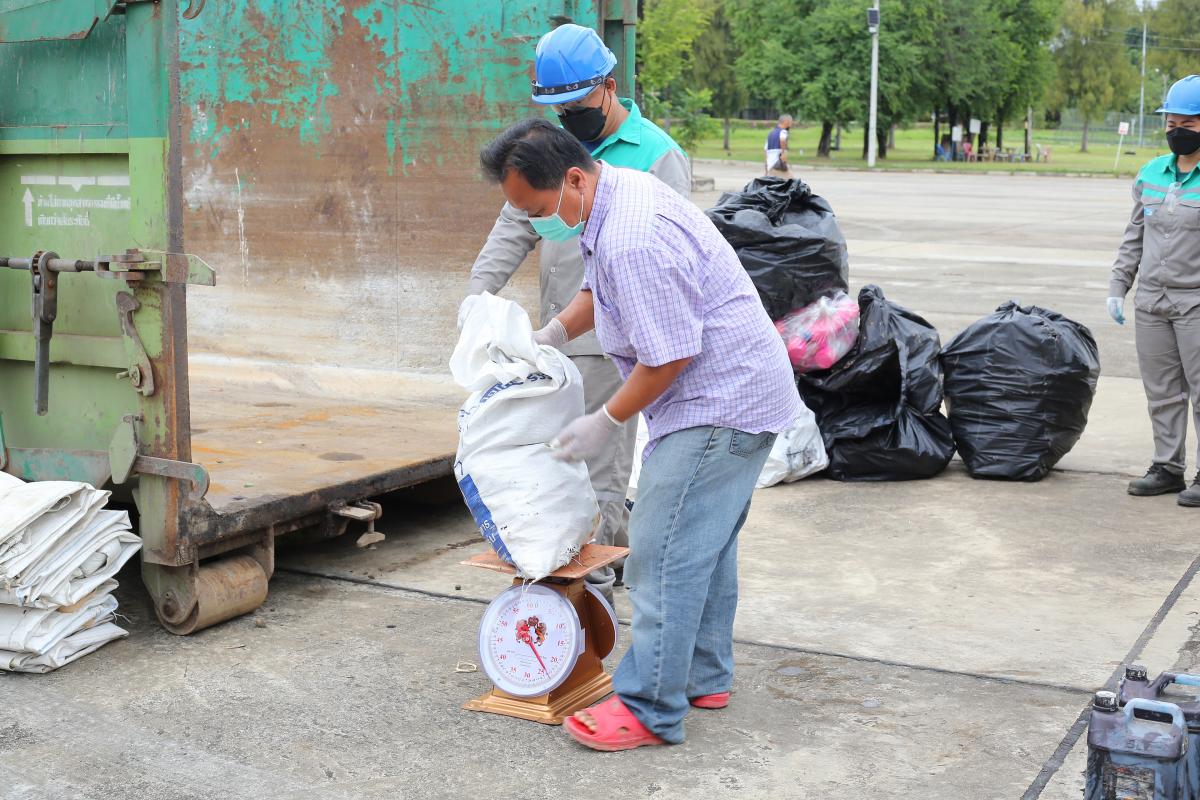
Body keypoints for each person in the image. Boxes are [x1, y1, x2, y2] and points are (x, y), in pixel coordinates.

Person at [478, 118, 801, 750]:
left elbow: (669, 357)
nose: (538, 223)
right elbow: (600, 291)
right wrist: (550, 338)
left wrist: (605, 421)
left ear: (573, 178)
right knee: (705, 543)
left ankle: (651, 704)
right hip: (742, 391)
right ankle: (704, 676)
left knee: (661, 552)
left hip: (720, 401)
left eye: (538, 209)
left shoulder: (631, 235)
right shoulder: (613, 192)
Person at [467, 24, 690, 604]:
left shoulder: (657, 156)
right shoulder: (552, 148)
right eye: (557, 107)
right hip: (555, 335)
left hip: (610, 342)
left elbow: (666, 263)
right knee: (552, 465)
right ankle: (555, 579)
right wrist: (478, 294)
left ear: (609, 87)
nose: (569, 117)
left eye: (578, 104)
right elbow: (515, 222)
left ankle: (594, 593)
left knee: (601, 473)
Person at [1108, 74, 1200, 507]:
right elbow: (1134, 236)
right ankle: (1167, 467)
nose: (1176, 131)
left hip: (1196, 301)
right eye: (1170, 123)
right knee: (1162, 391)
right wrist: (1118, 286)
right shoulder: (1150, 173)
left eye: (1188, 123)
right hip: (1152, 301)